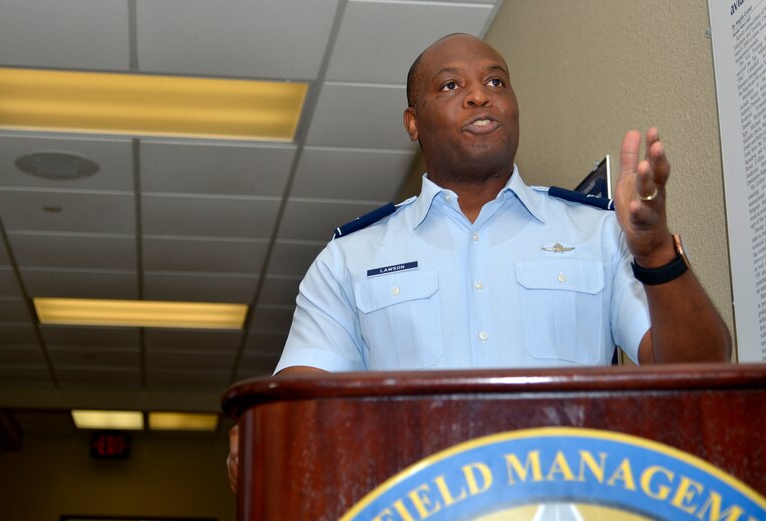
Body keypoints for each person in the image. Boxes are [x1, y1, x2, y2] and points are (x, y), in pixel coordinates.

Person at [226, 33, 731, 492]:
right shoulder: (351, 258)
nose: (479, 95)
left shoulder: (599, 233)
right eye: (450, 86)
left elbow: (702, 371)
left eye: (495, 81)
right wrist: (262, 431)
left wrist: (654, 251)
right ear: (412, 123)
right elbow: (296, 408)